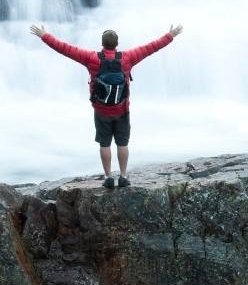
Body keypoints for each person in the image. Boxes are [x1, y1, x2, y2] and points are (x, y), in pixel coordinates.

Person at [29, 24, 183, 188]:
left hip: (101, 110)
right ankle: (123, 176)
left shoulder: (91, 58)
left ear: (102, 44)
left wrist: (44, 36)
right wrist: (170, 35)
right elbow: (151, 47)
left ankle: (108, 176)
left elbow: (65, 49)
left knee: (105, 144)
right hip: (122, 109)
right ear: (117, 44)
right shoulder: (128, 58)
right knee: (122, 144)